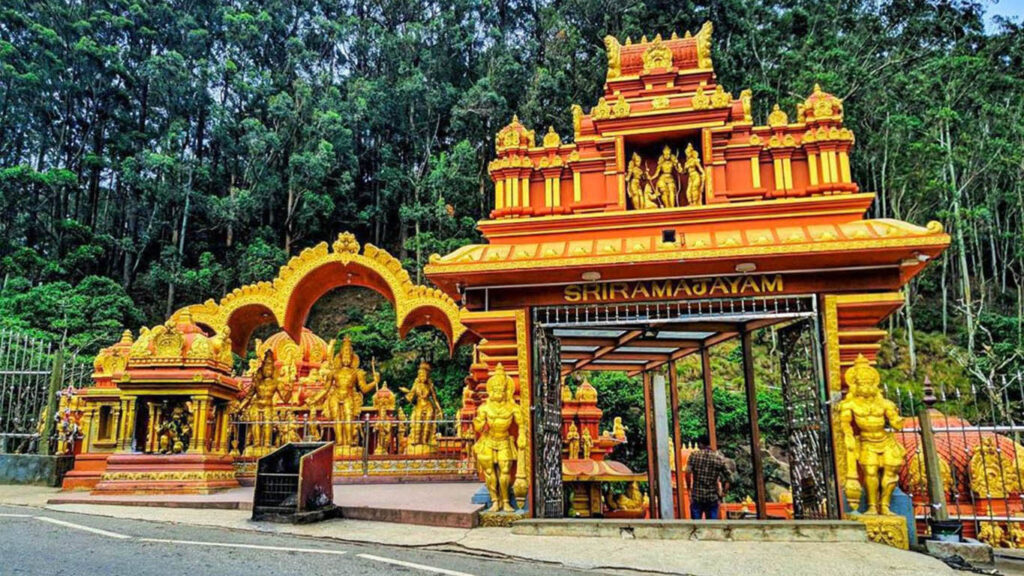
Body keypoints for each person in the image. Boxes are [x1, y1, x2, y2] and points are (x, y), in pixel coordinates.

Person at [685, 435, 730, 520]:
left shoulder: (694, 456)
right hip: (712, 497)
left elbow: (687, 473)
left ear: (700, 444)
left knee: (696, 525)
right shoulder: (718, 458)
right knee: (712, 525)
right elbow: (729, 478)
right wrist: (724, 492)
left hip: (697, 495)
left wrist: (688, 488)